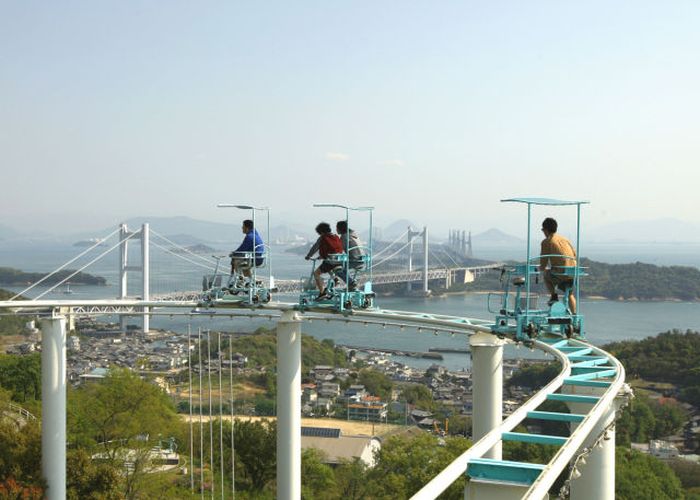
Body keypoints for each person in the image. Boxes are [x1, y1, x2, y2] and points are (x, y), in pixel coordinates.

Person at [539, 217, 577, 313]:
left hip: (561, 273)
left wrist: (540, 268)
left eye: (543, 230)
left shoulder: (547, 241)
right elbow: (574, 254)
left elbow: (543, 263)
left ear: (546, 230)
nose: (543, 232)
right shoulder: (565, 239)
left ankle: (554, 296)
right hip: (573, 272)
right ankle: (574, 314)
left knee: (546, 275)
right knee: (570, 294)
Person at [305, 222, 344, 299]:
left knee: (316, 273)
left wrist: (308, 256)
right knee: (327, 265)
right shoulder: (336, 236)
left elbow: (315, 248)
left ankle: (322, 293)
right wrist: (322, 256)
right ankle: (335, 279)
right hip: (340, 260)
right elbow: (334, 249)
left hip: (331, 261)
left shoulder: (323, 237)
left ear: (321, 232)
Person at [336, 220, 365, 291]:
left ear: (340, 229)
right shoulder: (354, 235)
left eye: (337, 228)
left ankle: (351, 282)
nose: (336, 230)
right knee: (343, 266)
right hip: (362, 260)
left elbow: (338, 250)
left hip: (354, 260)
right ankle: (351, 284)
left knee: (336, 268)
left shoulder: (344, 237)